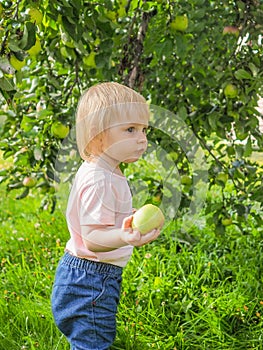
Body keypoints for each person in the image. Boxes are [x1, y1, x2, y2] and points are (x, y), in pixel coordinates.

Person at [51, 82, 162, 350]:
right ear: (98, 135)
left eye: (144, 129)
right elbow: (92, 239)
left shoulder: (105, 170)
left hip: (89, 277)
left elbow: (100, 220)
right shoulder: (99, 179)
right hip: (90, 281)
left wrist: (123, 219)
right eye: (130, 129)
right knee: (93, 343)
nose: (142, 138)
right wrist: (124, 236)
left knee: (91, 340)